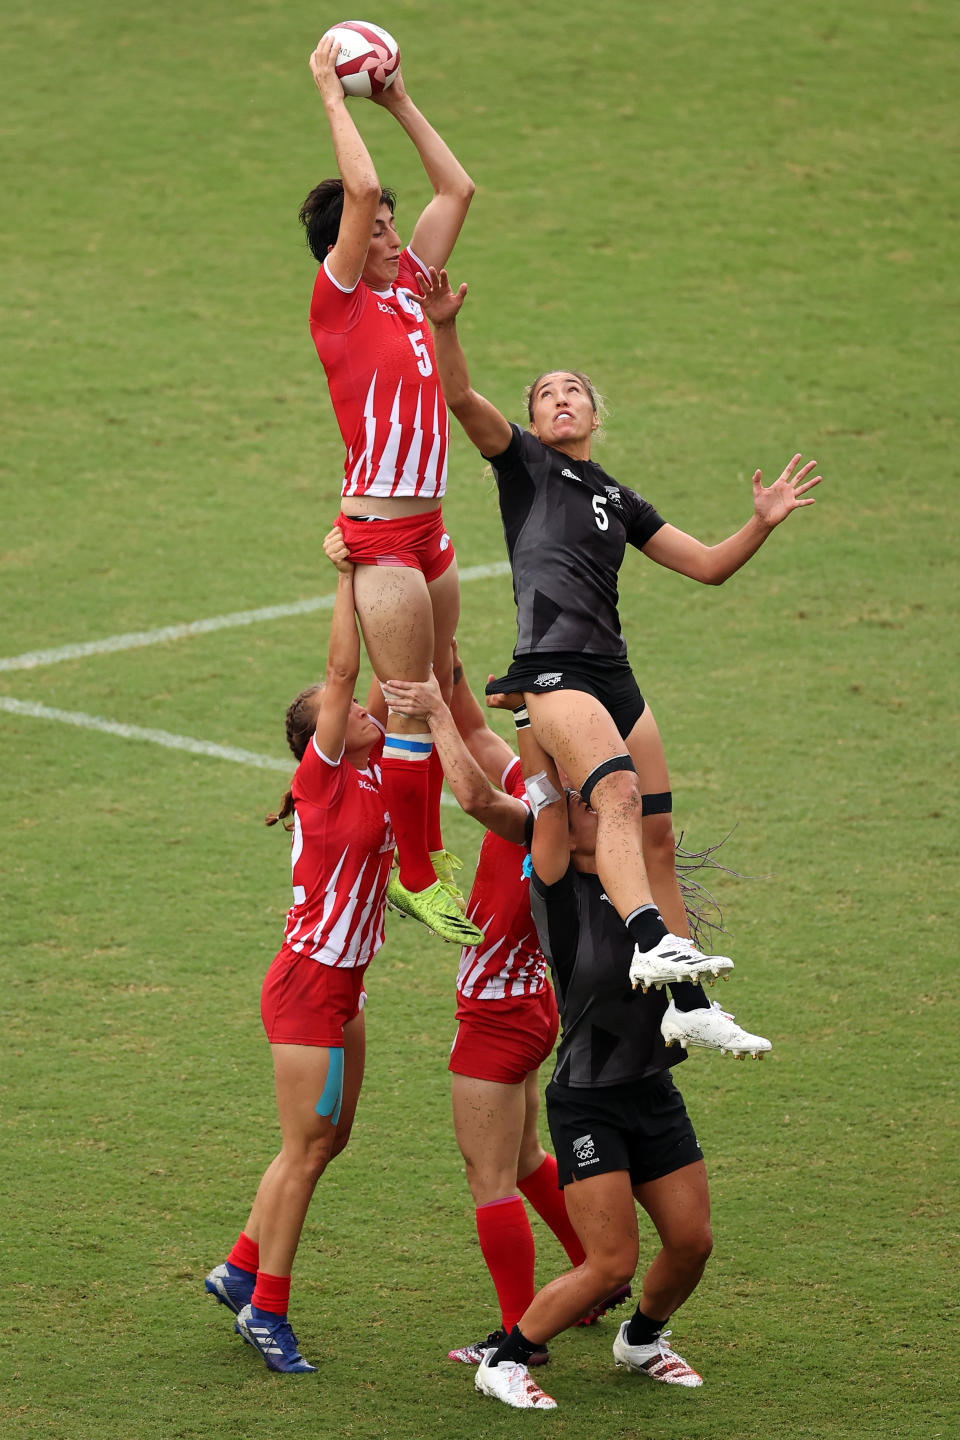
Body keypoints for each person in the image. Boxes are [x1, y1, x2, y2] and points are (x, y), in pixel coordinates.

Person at [413, 264, 821, 1051]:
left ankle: (689, 1003)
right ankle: (648, 939)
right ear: (534, 417)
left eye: (573, 391)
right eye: (545, 394)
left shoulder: (619, 499)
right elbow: (461, 399)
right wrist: (445, 326)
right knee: (617, 795)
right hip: (553, 669)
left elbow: (706, 565)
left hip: (613, 673)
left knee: (659, 834)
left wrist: (761, 522)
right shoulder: (524, 464)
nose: (559, 399)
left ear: (595, 410)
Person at [381, 648, 632, 1369]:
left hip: (496, 1016)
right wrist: (445, 662)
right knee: (522, 1159)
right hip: (529, 1008)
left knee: (487, 1176)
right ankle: (591, 1277)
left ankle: (519, 1333)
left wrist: (430, 712)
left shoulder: (551, 822)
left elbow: (474, 795)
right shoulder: (553, 785)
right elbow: (480, 739)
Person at [473, 735, 719, 1411]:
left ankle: (642, 1340)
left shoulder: (640, 883)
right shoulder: (556, 881)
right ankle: (506, 1360)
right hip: (587, 1100)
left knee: (692, 1242)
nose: (603, 811)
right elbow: (546, 794)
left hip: (652, 1088)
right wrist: (532, 708)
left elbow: (647, 814)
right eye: (589, 803)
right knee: (610, 1262)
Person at [299, 37, 480, 948]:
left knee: (442, 681)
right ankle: (417, 873)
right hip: (378, 533)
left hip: (432, 528)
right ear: (338, 242)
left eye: (386, 227)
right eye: (371, 227)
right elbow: (361, 191)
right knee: (408, 695)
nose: (385, 230)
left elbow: (458, 192)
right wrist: (334, 91)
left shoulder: (409, 283)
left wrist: (401, 100)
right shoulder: (338, 303)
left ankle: (482, 795)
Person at [204, 543, 394, 1374]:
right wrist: (349, 576)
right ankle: (265, 1308)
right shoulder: (322, 780)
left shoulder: (378, 767)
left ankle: (241, 1262)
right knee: (305, 1150)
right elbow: (346, 671)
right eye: (342, 711)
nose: (359, 711)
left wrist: (407, 567)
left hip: (343, 992)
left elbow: (387, 675)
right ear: (319, 733)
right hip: (307, 990)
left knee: (332, 1140)